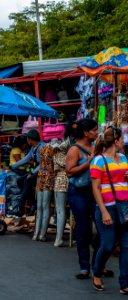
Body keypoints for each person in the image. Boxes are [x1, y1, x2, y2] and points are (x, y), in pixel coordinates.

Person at [90, 126, 127, 293]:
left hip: (125, 207)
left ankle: (124, 283)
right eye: (122, 139)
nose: (124, 142)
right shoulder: (98, 160)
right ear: (116, 140)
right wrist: (104, 211)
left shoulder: (124, 158)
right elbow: (96, 188)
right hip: (108, 208)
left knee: (126, 247)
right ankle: (97, 272)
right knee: (108, 245)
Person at [66, 118, 104, 280]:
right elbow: (69, 171)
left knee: (103, 228)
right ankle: (84, 267)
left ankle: (97, 264)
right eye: (94, 130)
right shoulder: (74, 150)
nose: (96, 132)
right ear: (85, 132)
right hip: (78, 193)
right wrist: (88, 162)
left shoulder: (96, 147)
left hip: (95, 191)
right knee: (83, 230)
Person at [10, 130, 45, 214]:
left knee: (27, 180)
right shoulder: (33, 148)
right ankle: (33, 202)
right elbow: (26, 159)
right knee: (19, 181)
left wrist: (32, 173)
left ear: (30, 139)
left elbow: (42, 164)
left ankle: (20, 208)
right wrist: (12, 166)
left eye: (27, 139)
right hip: (37, 171)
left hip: (44, 172)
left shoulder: (42, 147)